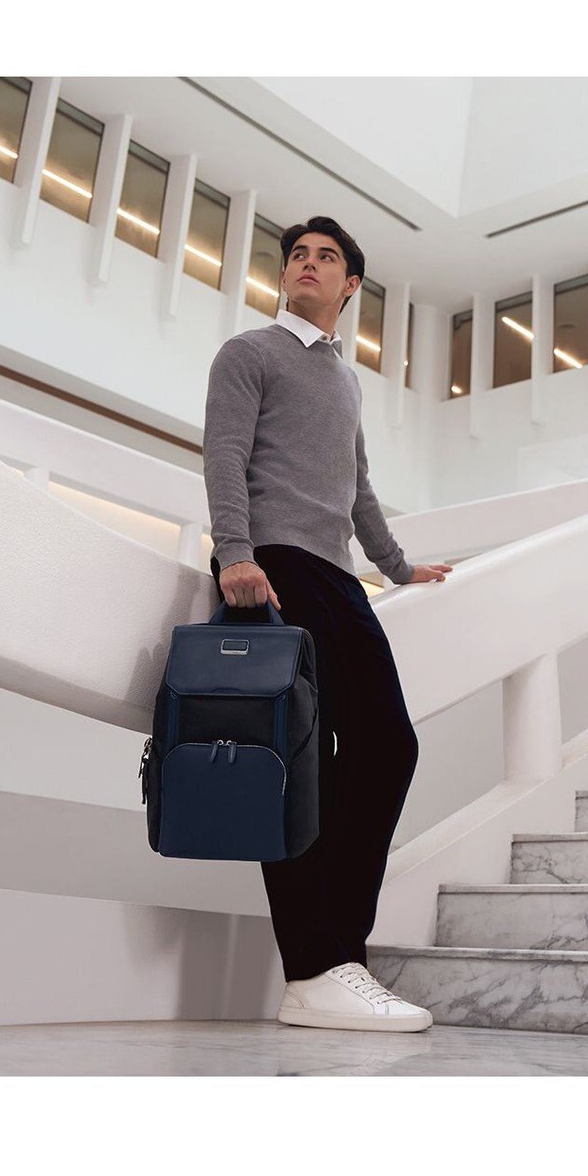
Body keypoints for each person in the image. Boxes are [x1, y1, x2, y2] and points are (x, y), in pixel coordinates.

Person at [203, 214, 452, 1033]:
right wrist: (234, 552)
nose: (308, 264)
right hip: (273, 569)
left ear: (350, 286)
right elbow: (224, 454)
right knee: (300, 765)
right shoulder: (249, 353)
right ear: (286, 277)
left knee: (387, 746)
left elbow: (358, 487)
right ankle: (314, 970)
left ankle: (339, 956)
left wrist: (398, 567)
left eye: (326, 257)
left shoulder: (344, 380)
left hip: (338, 578)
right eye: (298, 256)